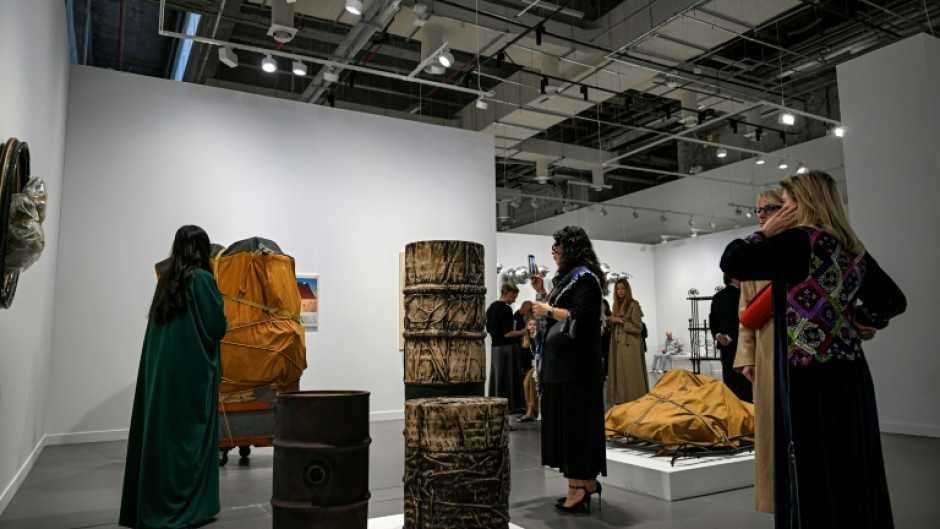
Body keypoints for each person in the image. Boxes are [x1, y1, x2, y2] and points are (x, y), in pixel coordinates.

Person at [721, 170, 906, 529]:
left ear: (803, 203)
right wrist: (864, 320)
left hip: (808, 374)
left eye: (787, 203)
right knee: (852, 463)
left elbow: (733, 261)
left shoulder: (801, 242)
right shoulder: (851, 247)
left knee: (812, 469)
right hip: (851, 372)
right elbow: (893, 299)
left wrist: (763, 233)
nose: (781, 212)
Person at [120, 225, 228, 529]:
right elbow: (217, 327)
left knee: (163, 439)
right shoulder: (202, 280)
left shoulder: (166, 283)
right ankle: (185, 507)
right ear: (203, 249)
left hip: (162, 378)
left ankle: (153, 502)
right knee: (188, 441)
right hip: (191, 379)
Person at [530, 226, 607, 515]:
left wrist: (546, 310)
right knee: (570, 428)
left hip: (577, 369)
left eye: (558, 247)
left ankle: (579, 487)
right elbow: (563, 309)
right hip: (564, 368)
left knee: (576, 429)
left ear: (571, 249)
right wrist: (542, 293)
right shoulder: (568, 281)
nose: (554, 252)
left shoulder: (585, 279)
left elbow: (584, 319)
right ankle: (583, 483)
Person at [734, 188, 784, 513]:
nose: (762, 215)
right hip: (766, 352)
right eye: (759, 210)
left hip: (798, 348)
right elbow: (746, 312)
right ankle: (777, 500)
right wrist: (747, 358)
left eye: (770, 208)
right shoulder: (756, 256)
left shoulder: (802, 248)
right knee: (770, 431)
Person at [486, 282, 526, 413]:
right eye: (514, 296)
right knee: (508, 382)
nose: (515, 299)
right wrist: (525, 331)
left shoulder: (491, 307)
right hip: (506, 350)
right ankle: (507, 411)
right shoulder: (506, 309)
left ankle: (497, 411)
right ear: (508, 293)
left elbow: (490, 329)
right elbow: (507, 333)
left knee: (498, 381)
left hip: (495, 350)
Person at [710, 274, 751, 402]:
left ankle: (730, 406)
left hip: (724, 345)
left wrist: (718, 336)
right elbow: (742, 318)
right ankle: (745, 409)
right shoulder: (742, 295)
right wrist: (730, 336)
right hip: (740, 342)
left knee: (728, 377)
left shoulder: (717, 296)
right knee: (744, 379)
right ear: (733, 278)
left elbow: (712, 319)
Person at [606, 277, 648, 404]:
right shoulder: (616, 305)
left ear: (627, 289)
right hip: (618, 345)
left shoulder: (633, 305)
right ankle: (622, 400)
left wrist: (620, 320)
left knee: (631, 375)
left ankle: (634, 400)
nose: (620, 291)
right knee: (620, 375)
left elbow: (638, 327)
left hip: (630, 344)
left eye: (623, 288)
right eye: (618, 289)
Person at [518, 316, 539, 422]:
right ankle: (530, 410)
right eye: (530, 324)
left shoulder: (538, 339)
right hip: (531, 368)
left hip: (539, 367)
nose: (532, 327)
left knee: (530, 378)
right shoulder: (525, 341)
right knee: (528, 380)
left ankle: (530, 411)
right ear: (526, 326)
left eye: (534, 324)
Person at [600, 299, 612, 375]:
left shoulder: (610, 315)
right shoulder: (596, 315)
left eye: (603, 305)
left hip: (608, 341)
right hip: (598, 341)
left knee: (608, 358)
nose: (602, 307)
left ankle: (607, 374)